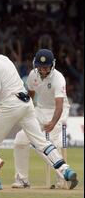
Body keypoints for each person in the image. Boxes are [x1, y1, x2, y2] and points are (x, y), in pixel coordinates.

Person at [0, 48, 78, 190]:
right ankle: (65, 169)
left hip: (10, 105)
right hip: (26, 103)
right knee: (41, 142)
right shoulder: (2, 59)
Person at [13, 49, 71, 189]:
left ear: (52, 65)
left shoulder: (59, 78)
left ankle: (63, 179)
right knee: (20, 140)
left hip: (58, 111)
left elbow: (59, 106)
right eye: (40, 67)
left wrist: (52, 122)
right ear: (35, 64)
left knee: (53, 143)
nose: (43, 70)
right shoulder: (33, 75)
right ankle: (22, 179)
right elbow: (30, 95)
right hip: (39, 110)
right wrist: (24, 112)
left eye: (46, 67)